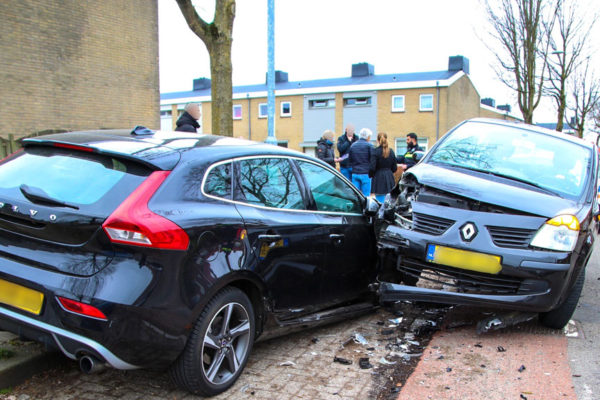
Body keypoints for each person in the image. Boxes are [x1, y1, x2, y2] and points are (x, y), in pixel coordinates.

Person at [371, 132, 398, 202]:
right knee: (390, 202)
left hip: (378, 178)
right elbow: (394, 168)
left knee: (380, 202)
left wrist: (371, 175)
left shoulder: (375, 151)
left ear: (377, 140)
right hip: (389, 177)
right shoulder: (391, 151)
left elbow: (372, 167)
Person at [348, 128, 374, 196]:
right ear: (368, 137)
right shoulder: (369, 146)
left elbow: (350, 160)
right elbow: (373, 160)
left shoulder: (353, 146)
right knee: (366, 195)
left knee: (355, 195)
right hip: (366, 173)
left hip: (355, 172)